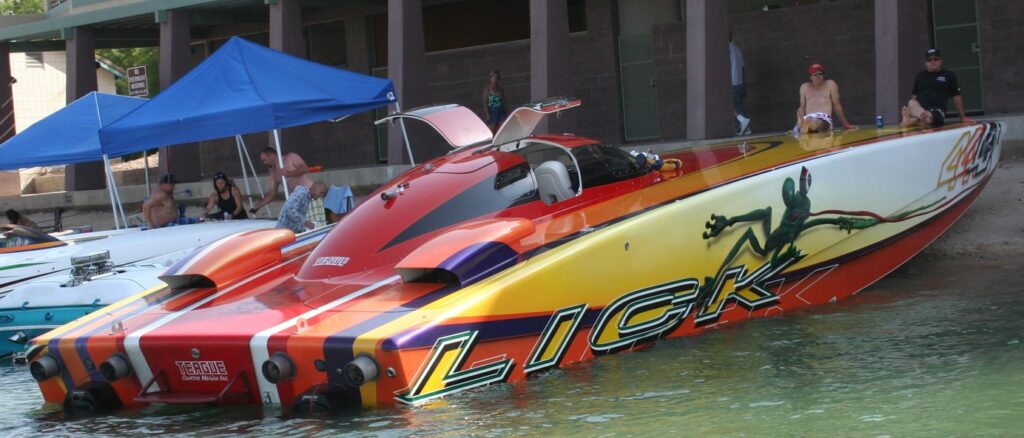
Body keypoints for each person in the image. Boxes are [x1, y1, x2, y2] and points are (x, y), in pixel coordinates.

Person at [901, 48, 976, 128]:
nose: (932, 62)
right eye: (929, 60)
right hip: (920, 108)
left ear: (941, 61)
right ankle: (918, 118)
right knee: (911, 102)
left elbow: (956, 97)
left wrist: (962, 117)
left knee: (929, 116)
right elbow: (914, 96)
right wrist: (910, 111)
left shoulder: (949, 75)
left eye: (935, 59)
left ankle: (915, 120)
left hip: (936, 110)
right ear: (925, 62)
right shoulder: (920, 76)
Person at [248, 147, 314, 215]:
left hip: (310, 194)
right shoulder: (273, 173)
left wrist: (289, 173)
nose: (264, 163)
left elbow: (305, 169)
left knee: (316, 222)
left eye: (265, 160)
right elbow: (271, 193)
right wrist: (257, 206)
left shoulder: (290, 157)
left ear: (271, 155)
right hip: (297, 200)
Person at [795, 63, 855, 134]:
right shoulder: (804, 87)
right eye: (815, 74)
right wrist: (799, 122)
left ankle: (799, 128)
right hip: (808, 118)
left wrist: (846, 124)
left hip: (823, 118)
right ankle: (799, 127)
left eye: (820, 73)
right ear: (810, 77)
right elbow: (802, 109)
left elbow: (837, 106)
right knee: (803, 116)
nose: (819, 76)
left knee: (811, 122)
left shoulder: (830, 84)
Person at [730, 34, 752, 135]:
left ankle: (742, 120)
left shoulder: (726, 50)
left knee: (728, 105)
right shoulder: (737, 50)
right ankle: (746, 128)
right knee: (739, 106)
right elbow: (743, 68)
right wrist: (743, 82)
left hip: (731, 82)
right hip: (738, 81)